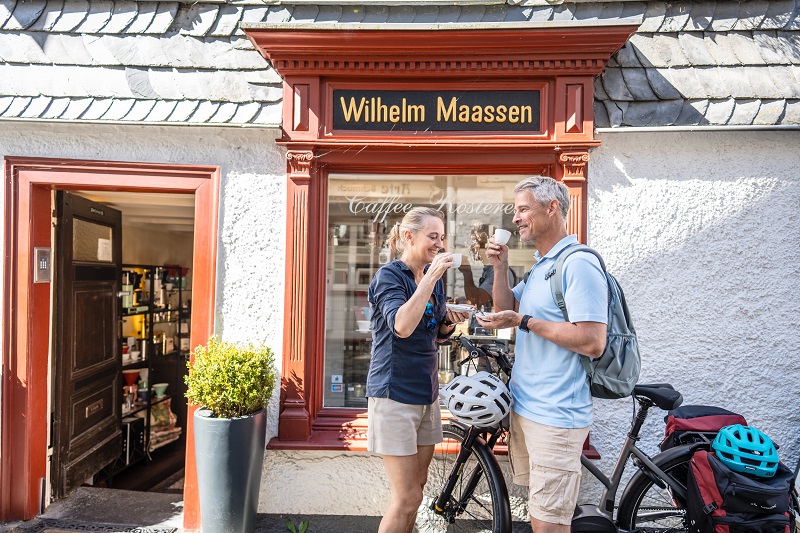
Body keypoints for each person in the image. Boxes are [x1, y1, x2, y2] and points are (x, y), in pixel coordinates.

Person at [476, 176, 608, 533]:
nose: (516, 218)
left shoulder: (577, 263)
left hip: (556, 414)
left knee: (548, 525)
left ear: (552, 208)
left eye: (523, 209)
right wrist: (501, 268)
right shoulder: (541, 265)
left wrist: (526, 321)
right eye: (514, 211)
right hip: (529, 408)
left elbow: (593, 340)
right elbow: (507, 307)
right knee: (540, 515)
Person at [366, 206, 471, 533]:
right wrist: (430, 278)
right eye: (432, 236)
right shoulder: (390, 277)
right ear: (409, 236)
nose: (439, 244)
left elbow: (431, 332)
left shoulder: (432, 279)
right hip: (394, 394)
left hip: (426, 395)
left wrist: (448, 325)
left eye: (442, 237)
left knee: (418, 486)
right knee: (407, 497)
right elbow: (401, 326)